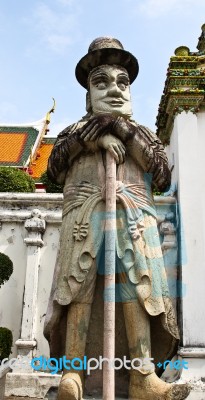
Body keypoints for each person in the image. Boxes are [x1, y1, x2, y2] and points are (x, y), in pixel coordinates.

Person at [44, 37, 190, 400]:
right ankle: (74, 373)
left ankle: (141, 376)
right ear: (88, 92)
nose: (114, 89)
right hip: (84, 219)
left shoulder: (142, 135)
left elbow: (161, 175)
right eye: (102, 82)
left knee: (137, 287)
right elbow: (54, 169)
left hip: (133, 220)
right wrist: (93, 139)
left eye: (122, 83)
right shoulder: (74, 132)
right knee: (79, 286)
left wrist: (119, 128)